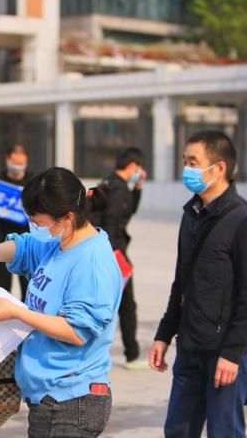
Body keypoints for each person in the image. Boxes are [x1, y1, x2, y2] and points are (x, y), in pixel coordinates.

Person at [0, 167, 123, 438]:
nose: (36, 228)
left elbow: (76, 331)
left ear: (68, 217)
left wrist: (17, 313)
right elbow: (26, 247)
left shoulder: (92, 263)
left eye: (39, 222)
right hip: (48, 397)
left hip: (71, 402)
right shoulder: (59, 242)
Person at [149, 131, 247, 438]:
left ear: (219, 168)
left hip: (225, 352)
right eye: (185, 160)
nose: (186, 168)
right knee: (177, 430)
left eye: (193, 162)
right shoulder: (191, 215)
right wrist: (164, 334)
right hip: (190, 347)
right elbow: (181, 282)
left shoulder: (245, 222)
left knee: (224, 432)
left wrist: (232, 353)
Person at [93, 147, 148, 370]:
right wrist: (116, 257)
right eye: (140, 168)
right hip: (114, 255)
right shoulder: (117, 190)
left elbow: (126, 212)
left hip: (107, 252)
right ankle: (132, 354)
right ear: (133, 166)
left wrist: (137, 189)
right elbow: (112, 225)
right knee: (126, 305)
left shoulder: (109, 184)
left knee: (109, 304)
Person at [0, 144, 31, 300]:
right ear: (7, 160)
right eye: (15, 163)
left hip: (26, 238)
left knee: (27, 283)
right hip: (1, 235)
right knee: (3, 283)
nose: (18, 167)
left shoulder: (32, 181)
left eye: (21, 164)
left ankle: (25, 318)